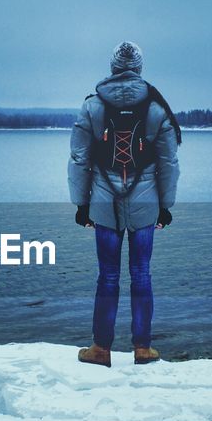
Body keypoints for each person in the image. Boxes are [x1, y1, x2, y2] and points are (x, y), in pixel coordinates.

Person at [67, 41, 180, 367]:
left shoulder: (92, 107)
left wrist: (81, 204)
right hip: (146, 203)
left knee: (108, 277)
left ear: (113, 68)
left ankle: (101, 349)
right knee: (141, 274)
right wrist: (165, 205)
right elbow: (168, 162)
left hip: (103, 202)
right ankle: (142, 349)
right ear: (139, 68)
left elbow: (79, 159)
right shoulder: (157, 108)